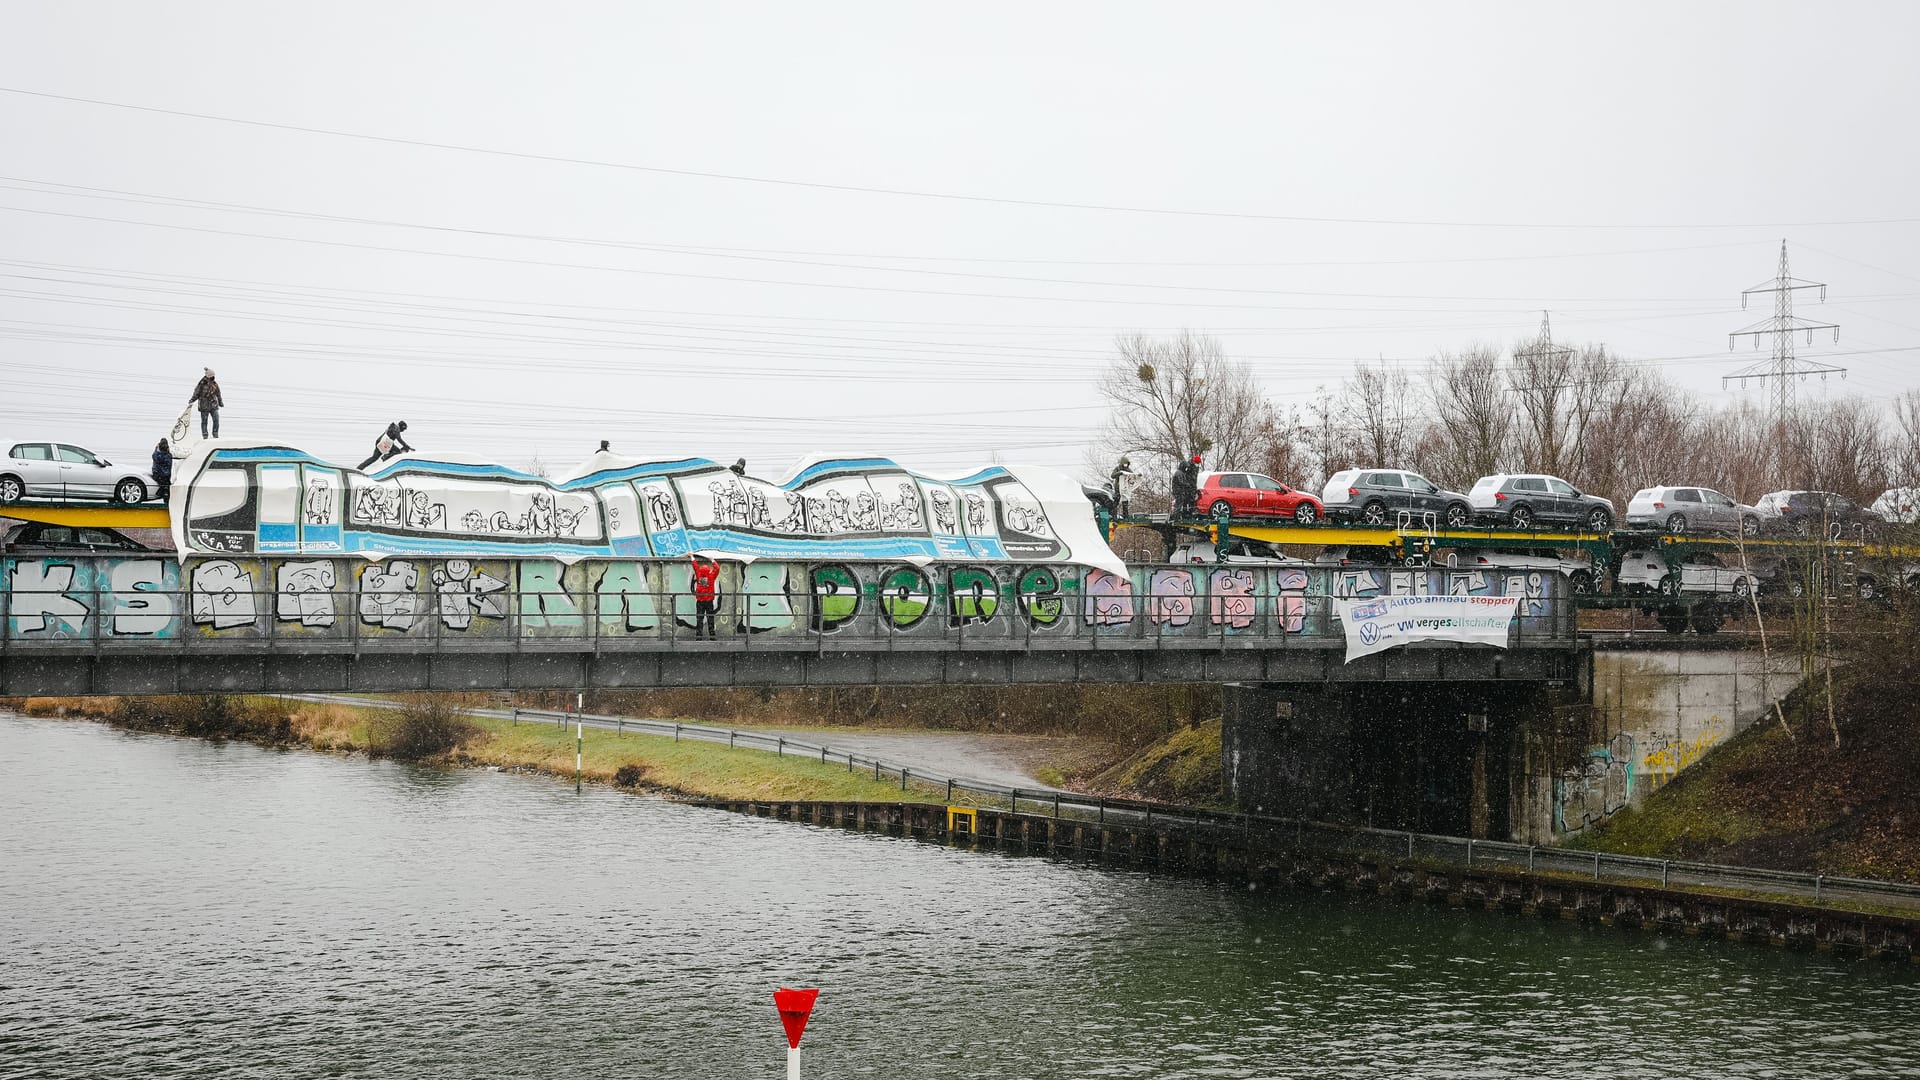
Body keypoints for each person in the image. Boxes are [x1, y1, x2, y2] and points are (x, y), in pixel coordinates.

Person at [688, 553, 721, 639]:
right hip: (709, 602)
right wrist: (712, 559)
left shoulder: (699, 576)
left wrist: (692, 556)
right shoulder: (711, 576)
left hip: (700, 602)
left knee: (699, 619)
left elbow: (695, 566)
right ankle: (712, 636)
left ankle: (699, 636)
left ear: (701, 571)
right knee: (710, 619)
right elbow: (717, 568)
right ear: (708, 570)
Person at [188, 368, 223, 439]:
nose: (213, 378)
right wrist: (192, 400)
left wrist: (220, 402)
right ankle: (205, 434)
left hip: (213, 405)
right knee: (204, 421)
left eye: (213, 376)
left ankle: (215, 433)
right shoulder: (201, 384)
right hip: (204, 406)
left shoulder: (215, 384)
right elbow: (196, 393)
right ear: (207, 377)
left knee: (216, 419)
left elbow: (218, 394)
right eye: (211, 377)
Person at [1172, 453, 1201, 518]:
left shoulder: (1195, 468)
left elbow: (1194, 479)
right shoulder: (1188, 467)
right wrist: (1187, 485)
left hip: (1191, 486)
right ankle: (1182, 515)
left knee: (1190, 501)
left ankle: (1188, 515)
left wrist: (1195, 488)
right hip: (1186, 487)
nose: (1197, 465)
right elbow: (1183, 479)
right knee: (1184, 501)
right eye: (1197, 463)